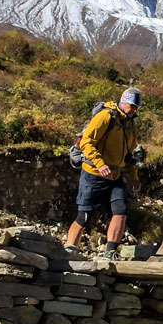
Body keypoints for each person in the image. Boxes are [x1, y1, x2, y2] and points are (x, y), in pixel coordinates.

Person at [66, 87, 143, 259]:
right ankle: (69, 251)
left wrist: (134, 178)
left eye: (137, 107)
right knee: (84, 216)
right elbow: (87, 142)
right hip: (93, 174)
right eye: (132, 106)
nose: (135, 110)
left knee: (120, 211)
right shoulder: (106, 116)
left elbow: (129, 156)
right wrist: (100, 164)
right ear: (124, 102)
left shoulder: (131, 125)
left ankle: (110, 252)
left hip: (115, 176)